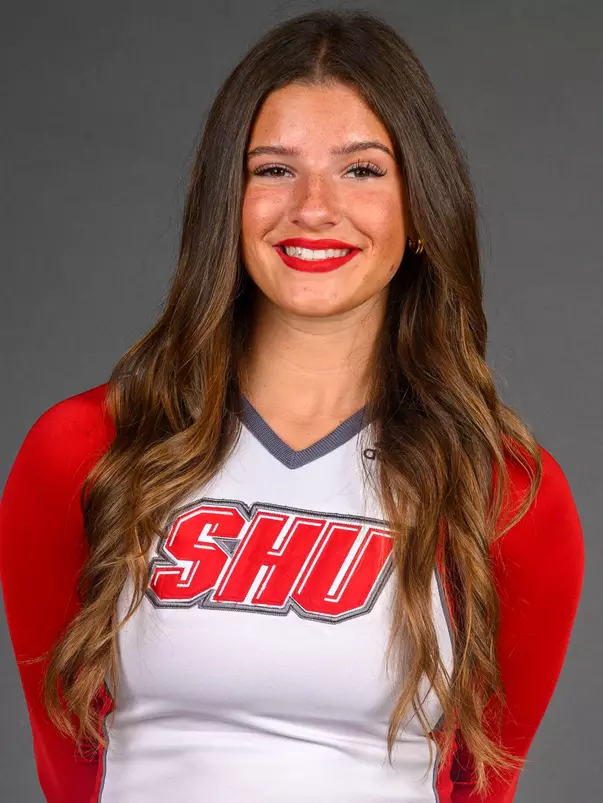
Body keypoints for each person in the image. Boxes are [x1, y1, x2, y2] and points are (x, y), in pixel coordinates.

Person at [0, 9, 584, 803]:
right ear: (226, 204)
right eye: (273, 170)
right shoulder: (86, 448)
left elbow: (483, 781)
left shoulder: (506, 494)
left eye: (361, 170)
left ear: (420, 208)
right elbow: (66, 755)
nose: (313, 207)